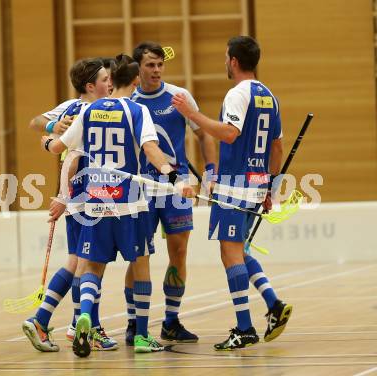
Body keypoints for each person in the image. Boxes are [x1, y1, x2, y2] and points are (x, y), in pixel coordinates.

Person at [42, 54, 195, 357]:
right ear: (136, 80)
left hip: (95, 203)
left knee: (93, 266)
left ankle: (85, 315)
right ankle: (140, 336)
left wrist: (48, 139)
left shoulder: (90, 110)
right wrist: (176, 178)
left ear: (111, 81)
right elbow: (151, 150)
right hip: (129, 204)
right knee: (140, 264)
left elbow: (60, 148)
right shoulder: (137, 110)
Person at [171, 35, 292, 350]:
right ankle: (273, 303)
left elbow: (229, 133)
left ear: (234, 61)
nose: (225, 63)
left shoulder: (238, 94)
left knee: (230, 254)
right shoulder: (270, 96)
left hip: (234, 185)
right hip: (255, 183)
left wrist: (191, 114)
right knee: (241, 250)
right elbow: (277, 146)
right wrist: (271, 186)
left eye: (226, 58)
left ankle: (244, 327)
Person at [122, 41, 216, 345]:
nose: (157, 70)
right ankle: (134, 323)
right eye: (150, 65)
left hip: (177, 188)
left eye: (160, 64)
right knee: (138, 256)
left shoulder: (179, 97)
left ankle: (171, 321)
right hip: (141, 188)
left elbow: (204, 134)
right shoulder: (128, 101)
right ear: (137, 70)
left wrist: (211, 173)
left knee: (179, 251)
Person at [22, 58, 118, 352]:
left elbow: (40, 128)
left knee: (77, 261)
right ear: (90, 86)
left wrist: (51, 131)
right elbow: (39, 126)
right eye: (104, 79)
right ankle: (86, 326)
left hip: (76, 193)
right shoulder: (90, 111)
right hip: (91, 194)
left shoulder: (75, 107)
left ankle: (43, 319)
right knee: (92, 263)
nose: (110, 83)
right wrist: (54, 127)